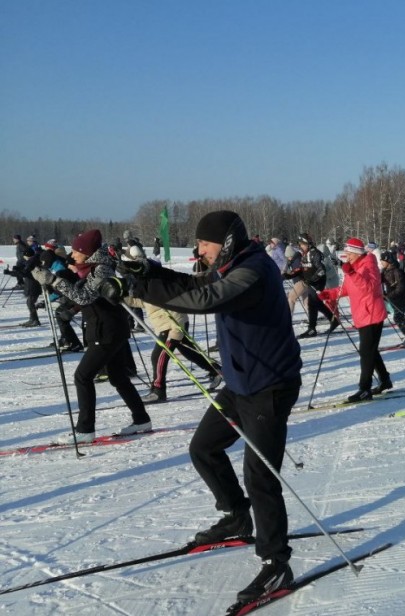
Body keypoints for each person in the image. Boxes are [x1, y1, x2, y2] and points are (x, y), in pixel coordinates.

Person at [102, 210, 303, 603]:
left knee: (260, 476)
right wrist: (145, 271)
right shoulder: (230, 264)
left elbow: (205, 298)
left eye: (205, 243)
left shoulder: (254, 270)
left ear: (226, 241)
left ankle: (277, 563)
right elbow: (193, 282)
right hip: (241, 381)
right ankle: (237, 515)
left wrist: (140, 288)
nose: (200, 250)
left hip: (269, 387)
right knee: (204, 449)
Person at [31, 229, 152, 443]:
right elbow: (82, 293)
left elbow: (85, 296)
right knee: (118, 377)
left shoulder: (102, 269)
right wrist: (67, 305)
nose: (73, 255)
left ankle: (85, 430)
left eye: (77, 251)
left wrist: (53, 280)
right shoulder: (92, 267)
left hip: (106, 330)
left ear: (87, 252)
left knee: (83, 376)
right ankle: (141, 419)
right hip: (108, 328)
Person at [318, 238, 393, 400]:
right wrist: (329, 294)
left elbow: (369, 288)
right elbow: (348, 288)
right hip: (362, 314)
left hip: (372, 314)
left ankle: (364, 388)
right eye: (346, 253)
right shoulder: (355, 265)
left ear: (357, 253)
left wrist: (351, 272)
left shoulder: (369, 263)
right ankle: (385, 380)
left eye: (349, 253)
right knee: (369, 350)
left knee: (366, 352)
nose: (347, 256)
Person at [380, 251, 405, 347]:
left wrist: (389, 295)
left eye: (383, 260)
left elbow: (401, 287)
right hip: (393, 299)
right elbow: (379, 280)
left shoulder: (397, 271)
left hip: (401, 298)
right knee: (398, 318)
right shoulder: (385, 271)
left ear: (388, 260)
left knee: (398, 318)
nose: (381, 262)